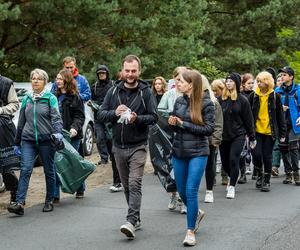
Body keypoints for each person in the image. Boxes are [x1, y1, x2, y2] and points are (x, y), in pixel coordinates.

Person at [98, 55, 158, 239]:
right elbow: (101, 114)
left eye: (134, 71)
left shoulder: (145, 92)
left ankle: (131, 221)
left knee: (134, 183)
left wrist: (137, 118)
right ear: (122, 70)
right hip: (118, 146)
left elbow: (153, 117)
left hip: (138, 145)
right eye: (127, 70)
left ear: (139, 71)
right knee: (126, 186)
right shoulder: (114, 91)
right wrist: (114, 113)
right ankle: (136, 218)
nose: (130, 74)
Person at [168, 68, 215, 246]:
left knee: (191, 191)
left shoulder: (206, 103)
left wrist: (183, 124)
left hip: (198, 152)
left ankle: (190, 231)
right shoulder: (179, 101)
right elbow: (176, 127)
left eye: (180, 80)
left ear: (191, 84)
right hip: (179, 151)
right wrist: (173, 123)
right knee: (181, 191)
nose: (177, 83)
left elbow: (208, 130)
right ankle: (196, 212)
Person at [8, 69, 63, 215]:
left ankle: (49, 200)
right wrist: (16, 141)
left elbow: (56, 118)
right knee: (25, 169)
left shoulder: (50, 98)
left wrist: (58, 132)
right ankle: (19, 203)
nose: (35, 81)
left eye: (39, 79)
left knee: (49, 170)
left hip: (46, 140)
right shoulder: (27, 98)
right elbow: (21, 121)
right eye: (33, 78)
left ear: (44, 82)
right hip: (28, 140)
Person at [219, 73, 255, 199]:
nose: (228, 83)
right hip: (223, 136)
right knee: (225, 162)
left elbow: (248, 120)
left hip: (238, 135)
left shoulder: (242, 100)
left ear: (236, 83)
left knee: (233, 159)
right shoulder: (221, 99)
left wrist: (252, 137)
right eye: (227, 81)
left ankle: (232, 186)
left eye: (231, 81)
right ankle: (233, 174)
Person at [248, 71, 286, 191]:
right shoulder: (253, 96)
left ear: (268, 82)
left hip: (270, 132)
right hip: (256, 132)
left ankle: (267, 180)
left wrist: (283, 133)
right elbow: (247, 116)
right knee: (257, 155)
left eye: (261, 81)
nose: (259, 84)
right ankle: (259, 174)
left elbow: (280, 116)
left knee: (267, 156)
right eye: (257, 81)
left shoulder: (275, 96)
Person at [157, 66, 187, 214]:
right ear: (174, 79)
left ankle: (184, 199)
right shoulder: (169, 94)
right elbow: (160, 112)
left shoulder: (190, 95)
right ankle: (173, 195)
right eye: (178, 78)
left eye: (183, 78)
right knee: (170, 167)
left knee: (183, 169)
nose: (180, 81)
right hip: (169, 135)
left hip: (186, 136)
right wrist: (170, 117)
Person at [54, 69, 85, 201]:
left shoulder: (75, 97)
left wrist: (74, 128)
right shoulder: (54, 96)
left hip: (72, 135)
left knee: (73, 162)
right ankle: (54, 195)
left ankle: (80, 188)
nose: (58, 81)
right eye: (57, 78)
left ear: (67, 80)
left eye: (60, 79)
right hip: (57, 135)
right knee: (56, 164)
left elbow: (79, 116)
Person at [275, 66, 300, 186]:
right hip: (282, 125)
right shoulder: (277, 91)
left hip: (294, 124)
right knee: (283, 148)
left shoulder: (298, 90)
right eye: (281, 75)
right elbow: (273, 109)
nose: (282, 77)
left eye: (285, 75)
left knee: (293, 148)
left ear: (291, 77)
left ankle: (296, 173)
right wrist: (280, 108)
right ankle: (288, 173)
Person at [202, 75, 223, 203]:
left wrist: (215, 140)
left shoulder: (214, 102)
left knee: (210, 165)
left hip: (209, 140)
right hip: (195, 140)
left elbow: (219, 123)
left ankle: (209, 191)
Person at [0, 74, 19, 204]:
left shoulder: (6, 83)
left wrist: (1, 110)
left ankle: (15, 193)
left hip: (3, 128)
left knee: (6, 165)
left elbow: (15, 104)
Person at [91, 65, 113, 165]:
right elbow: (91, 99)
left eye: (103, 73)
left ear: (107, 73)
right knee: (100, 138)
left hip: (109, 115)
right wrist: (91, 104)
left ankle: (113, 156)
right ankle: (104, 158)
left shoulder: (113, 85)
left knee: (110, 138)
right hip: (98, 116)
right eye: (99, 73)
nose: (101, 75)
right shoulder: (94, 86)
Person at [238, 73, 255, 184]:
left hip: (254, 125)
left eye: (252, 83)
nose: (251, 85)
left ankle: (257, 170)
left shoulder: (255, 95)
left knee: (254, 150)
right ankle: (243, 173)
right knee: (243, 151)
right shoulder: (240, 96)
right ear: (243, 84)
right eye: (249, 83)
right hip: (242, 127)